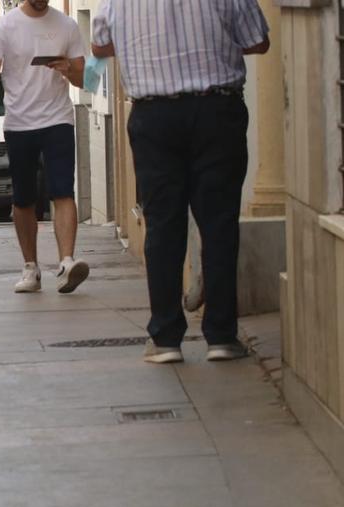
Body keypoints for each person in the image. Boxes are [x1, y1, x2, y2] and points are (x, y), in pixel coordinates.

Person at [92, 0, 269, 364]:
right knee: (219, 224)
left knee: (162, 225)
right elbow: (258, 40)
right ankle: (221, 336)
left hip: (154, 115)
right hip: (216, 111)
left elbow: (99, 44)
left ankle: (166, 337)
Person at [0, 0, 87, 295]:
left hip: (58, 120)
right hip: (19, 123)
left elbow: (84, 77)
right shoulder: (5, 26)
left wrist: (67, 69)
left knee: (63, 190)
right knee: (24, 198)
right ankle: (30, 267)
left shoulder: (67, 25)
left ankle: (66, 262)